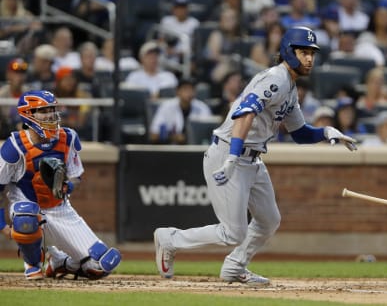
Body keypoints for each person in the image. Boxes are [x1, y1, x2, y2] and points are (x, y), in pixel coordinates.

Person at [153, 26, 357, 286]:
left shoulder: (291, 88)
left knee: (269, 220)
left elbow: (299, 133)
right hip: (231, 151)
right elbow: (245, 114)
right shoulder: (276, 78)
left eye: (312, 54)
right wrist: (232, 157)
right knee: (233, 232)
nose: (309, 58)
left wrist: (326, 131)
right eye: (303, 52)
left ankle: (235, 266)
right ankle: (170, 239)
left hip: (252, 158)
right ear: (288, 52)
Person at [0, 90, 121, 280]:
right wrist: (3, 226)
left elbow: (76, 176)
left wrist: (66, 187)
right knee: (27, 216)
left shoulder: (68, 137)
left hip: (60, 208)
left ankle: (59, 262)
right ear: (28, 115)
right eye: (43, 110)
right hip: (27, 205)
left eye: (52, 109)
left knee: (102, 264)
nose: (50, 115)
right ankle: (32, 263)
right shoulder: (15, 146)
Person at [149, 79, 212, 144]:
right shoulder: (166, 107)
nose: (189, 93)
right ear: (177, 91)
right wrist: (173, 137)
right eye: (185, 89)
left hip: (196, 147)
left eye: (191, 89)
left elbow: (209, 133)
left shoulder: (202, 108)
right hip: (171, 148)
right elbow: (153, 135)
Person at [0, 58, 30, 137]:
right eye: (16, 73)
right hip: (6, 133)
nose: (19, 76)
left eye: (22, 73)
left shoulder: (31, 94)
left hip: (27, 134)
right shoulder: (1, 94)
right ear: (8, 74)